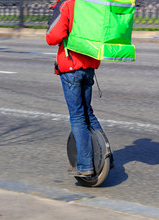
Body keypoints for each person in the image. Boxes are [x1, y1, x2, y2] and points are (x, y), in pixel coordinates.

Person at [46, 0, 103, 177]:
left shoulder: (67, 3)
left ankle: (86, 164)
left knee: (77, 116)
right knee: (88, 113)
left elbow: (52, 37)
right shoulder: (92, 3)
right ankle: (105, 157)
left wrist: (53, 19)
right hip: (89, 66)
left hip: (72, 67)